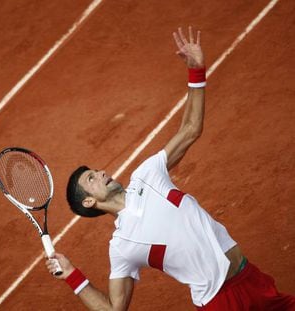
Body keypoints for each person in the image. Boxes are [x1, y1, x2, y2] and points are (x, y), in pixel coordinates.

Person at [45, 26, 295, 310]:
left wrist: (196, 73)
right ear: (89, 202)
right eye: (91, 178)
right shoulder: (122, 246)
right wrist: (71, 275)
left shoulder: (146, 174)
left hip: (251, 279)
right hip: (220, 302)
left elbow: (190, 130)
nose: (101, 172)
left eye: (96, 170)